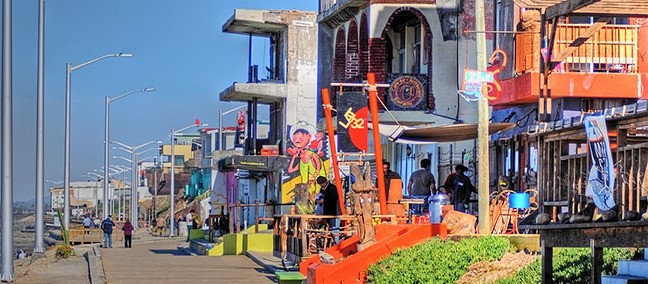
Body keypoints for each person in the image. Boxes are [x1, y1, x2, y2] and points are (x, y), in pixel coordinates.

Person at [317, 176, 341, 243]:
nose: (321, 186)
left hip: (335, 212)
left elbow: (334, 198)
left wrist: (324, 200)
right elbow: (320, 197)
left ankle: (336, 244)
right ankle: (327, 244)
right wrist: (318, 201)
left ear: (324, 182)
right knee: (327, 230)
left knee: (335, 230)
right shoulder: (322, 189)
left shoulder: (332, 188)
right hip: (326, 213)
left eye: (321, 184)